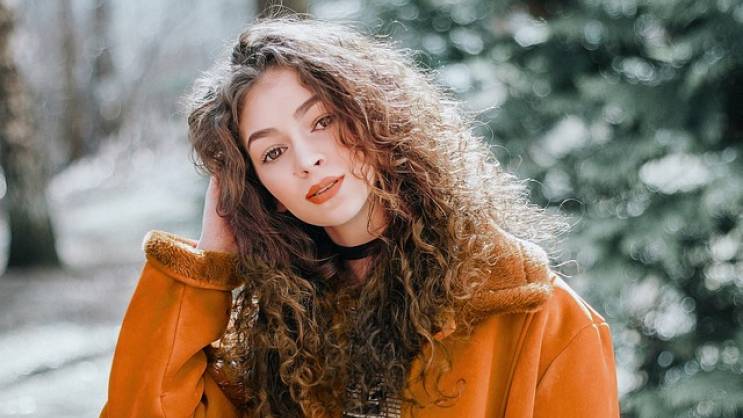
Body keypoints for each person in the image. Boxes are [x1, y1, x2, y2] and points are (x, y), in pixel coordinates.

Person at [99, 15, 620, 418]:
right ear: (263, 192)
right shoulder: (272, 340)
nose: (307, 160)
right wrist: (205, 270)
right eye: (272, 153)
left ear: (376, 117)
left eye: (321, 121)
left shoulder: (538, 318)